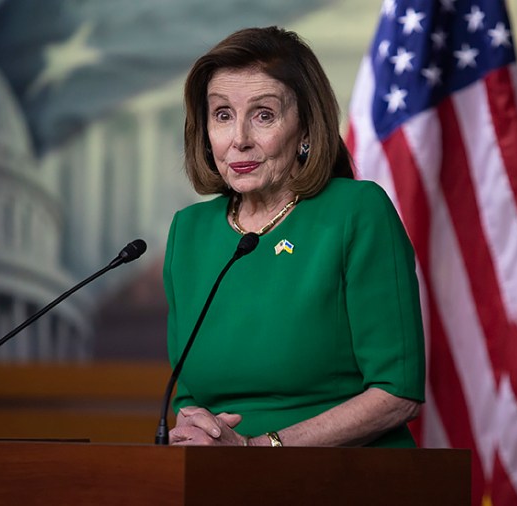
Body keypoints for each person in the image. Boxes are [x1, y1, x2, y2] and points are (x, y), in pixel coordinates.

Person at [163, 26, 425, 448]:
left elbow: (397, 394)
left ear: (305, 128)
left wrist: (259, 449)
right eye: (223, 115)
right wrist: (197, 426)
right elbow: (190, 394)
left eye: (263, 115)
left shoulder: (356, 211)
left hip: (348, 477)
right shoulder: (189, 233)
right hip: (220, 480)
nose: (240, 139)